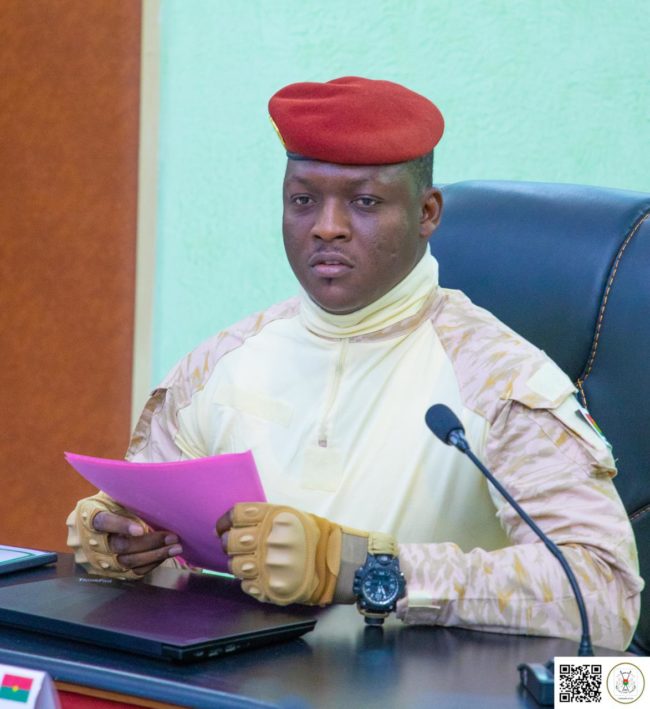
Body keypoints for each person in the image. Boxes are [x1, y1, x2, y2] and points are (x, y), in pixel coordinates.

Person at [67, 77, 642, 649]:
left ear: (427, 212)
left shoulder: (499, 380)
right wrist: (122, 546)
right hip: (233, 680)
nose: (327, 226)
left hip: (422, 684)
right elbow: (158, 554)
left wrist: (367, 571)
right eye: (303, 200)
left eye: (364, 202)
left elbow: (604, 597)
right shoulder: (218, 364)